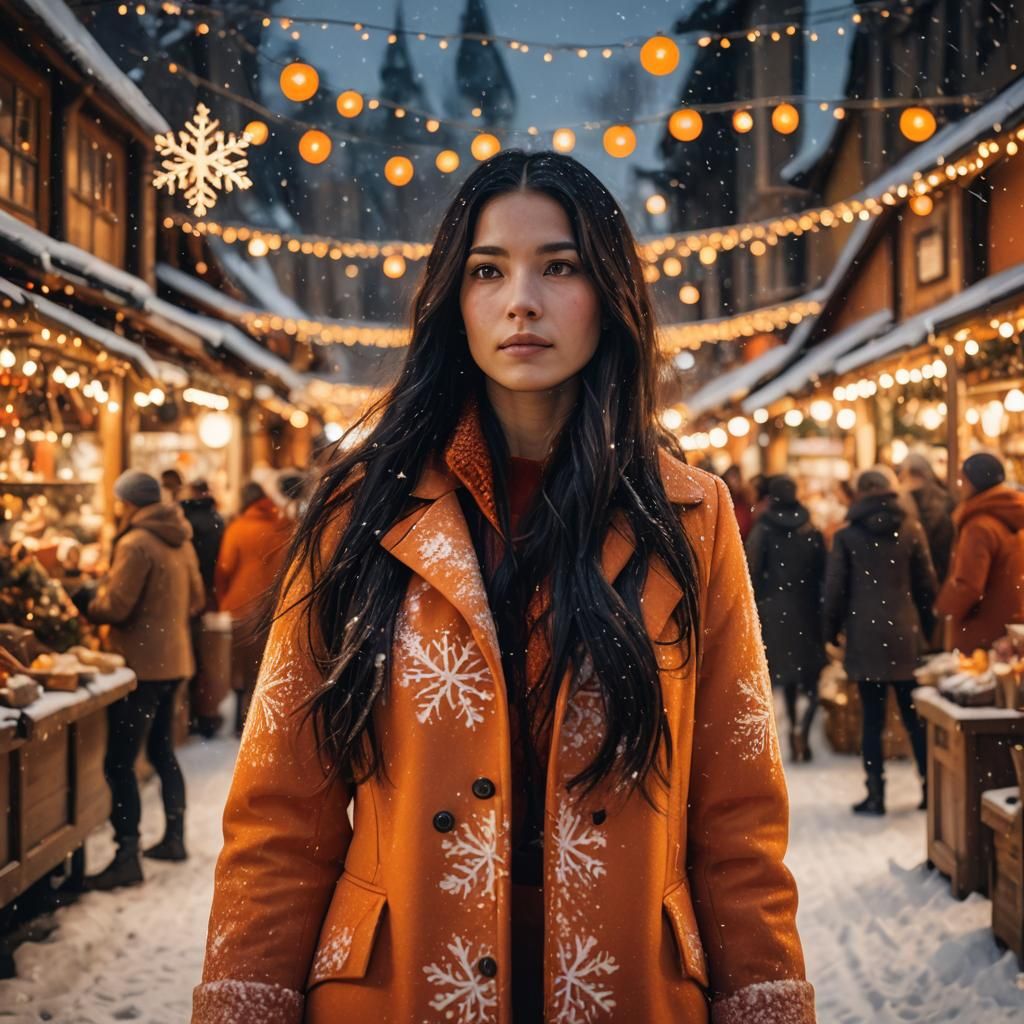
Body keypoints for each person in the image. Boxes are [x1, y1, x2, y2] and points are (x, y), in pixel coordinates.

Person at [193, 151, 813, 1024]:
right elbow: (280, 817)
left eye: (559, 267)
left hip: (629, 985)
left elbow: (737, 819)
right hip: (396, 987)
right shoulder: (355, 510)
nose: (522, 299)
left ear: (610, 295)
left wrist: (767, 1003)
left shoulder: (690, 516)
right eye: (488, 270)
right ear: (457, 299)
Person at [80, 470, 204, 888]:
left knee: (119, 763)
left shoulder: (135, 543)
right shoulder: (181, 539)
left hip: (139, 668)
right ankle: (174, 837)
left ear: (129, 503)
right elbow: (198, 599)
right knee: (163, 751)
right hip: (175, 662)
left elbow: (115, 607)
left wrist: (85, 599)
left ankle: (126, 857)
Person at [823, 466, 938, 815]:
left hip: (865, 635)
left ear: (860, 492)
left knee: (871, 719)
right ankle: (928, 788)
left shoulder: (848, 536)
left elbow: (834, 591)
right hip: (905, 635)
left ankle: (876, 793)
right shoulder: (911, 530)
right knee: (912, 715)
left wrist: (831, 631)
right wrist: (927, 633)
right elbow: (926, 585)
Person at [746, 475, 826, 762]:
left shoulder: (763, 529)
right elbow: (822, 571)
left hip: (775, 611)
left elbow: (751, 571)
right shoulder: (810, 527)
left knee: (787, 677)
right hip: (807, 609)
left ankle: (792, 726)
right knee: (812, 677)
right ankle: (804, 728)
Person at [214, 481, 292, 734]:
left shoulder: (237, 528)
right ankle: (262, 721)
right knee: (266, 665)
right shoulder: (284, 526)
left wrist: (223, 598)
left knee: (241, 666)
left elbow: (225, 568)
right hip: (273, 605)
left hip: (242, 606)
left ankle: (240, 719)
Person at [936, 453, 1024, 652]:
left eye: (962, 480)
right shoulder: (1012, 516)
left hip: (981, 632)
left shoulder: (979, 527)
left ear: (971, 483)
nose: (959, 486)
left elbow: (968, 586)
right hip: (1010, 626)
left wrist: (942, 607)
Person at [181, 480, 226, 737]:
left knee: (193, 657)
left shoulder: (185, 520)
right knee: (207, 658)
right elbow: (221, 561)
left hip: (187, 598)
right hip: (207, 596)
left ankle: (190, 718)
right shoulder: (216, 519)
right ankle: (206, 715)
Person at [900, 452, 955, 583]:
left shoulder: (902, 500)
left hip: (916, 573)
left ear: (906, 472)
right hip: (943, 569)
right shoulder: (945, 499)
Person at [722, 463, 754, 539]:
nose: (734, 481)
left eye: (736, 477)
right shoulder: (725, 495)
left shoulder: (746, 495)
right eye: (732, 477)